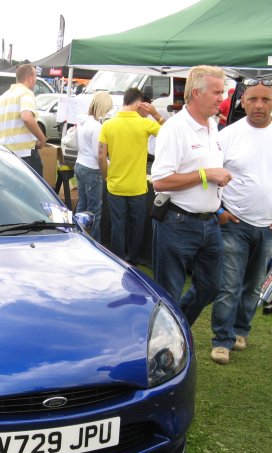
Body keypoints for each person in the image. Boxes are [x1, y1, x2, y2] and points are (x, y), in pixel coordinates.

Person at [210, 79, 272, 365]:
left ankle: (241, 330)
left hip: (270, 226)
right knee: (229, 284)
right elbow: (211, 173)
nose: (259, 105)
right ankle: (221, 340)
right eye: (252, 99)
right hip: (233, 222)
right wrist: (219, 211)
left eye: (265, 99)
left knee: (253, 286)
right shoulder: (229, 135)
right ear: (242, 102)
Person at [150, 65, 232, 326]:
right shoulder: (174, 128)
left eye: (223, 92)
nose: (222, 98)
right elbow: (161, 181)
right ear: (196, 93)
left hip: (210, 222)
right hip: (178, 222)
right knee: (169, 293)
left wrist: (217, 206)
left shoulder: (212, 125)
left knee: (211, 286)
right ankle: (167, 342)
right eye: (218, 92)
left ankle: (176, 330)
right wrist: (206, 174)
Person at [98, 87, 165, 263]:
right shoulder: (145, 123)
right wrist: (156, 114)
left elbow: (101, 155)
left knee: (117, 226)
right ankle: (133, 260)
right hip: (137, 187)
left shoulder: (108, 124)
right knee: (137, 226)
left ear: (124, 102)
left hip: (115, 185)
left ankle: (118, 260)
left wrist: (106, 176)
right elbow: (170, 134)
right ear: (140, 104)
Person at [73, 92, 113, 242]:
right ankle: (93, 244)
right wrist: (108, 168)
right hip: (91, 169)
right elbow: (99, 154)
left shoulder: (82, 122)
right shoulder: (97, 126)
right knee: (94, 211)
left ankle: (78, 238)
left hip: (80, 164)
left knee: (81, 207)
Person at [0, 64, 47, 175]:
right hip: (25, 154)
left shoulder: (3, 96)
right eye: (35, 77)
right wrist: (42, 139)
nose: (35, 81)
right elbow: (27, 118)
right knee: (34, 190)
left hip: (7, 154)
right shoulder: (26, 93)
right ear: (29, 78)